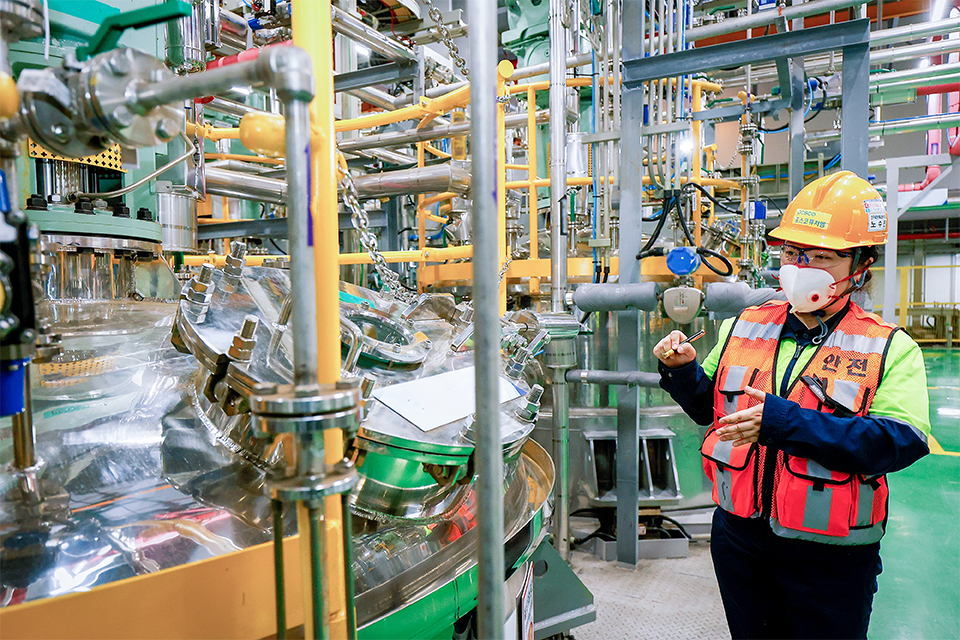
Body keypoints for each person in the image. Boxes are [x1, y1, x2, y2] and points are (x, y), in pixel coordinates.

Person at [654, 171, 930, 640]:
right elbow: (711, 411)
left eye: (821, 256)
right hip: (740, 540)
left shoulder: (889, 347)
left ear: (861, 264)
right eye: (792, 253)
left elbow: (897, 443)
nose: (801, 267)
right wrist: (682, 371)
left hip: (831, 555)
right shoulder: (747, 324)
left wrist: (784, 423)